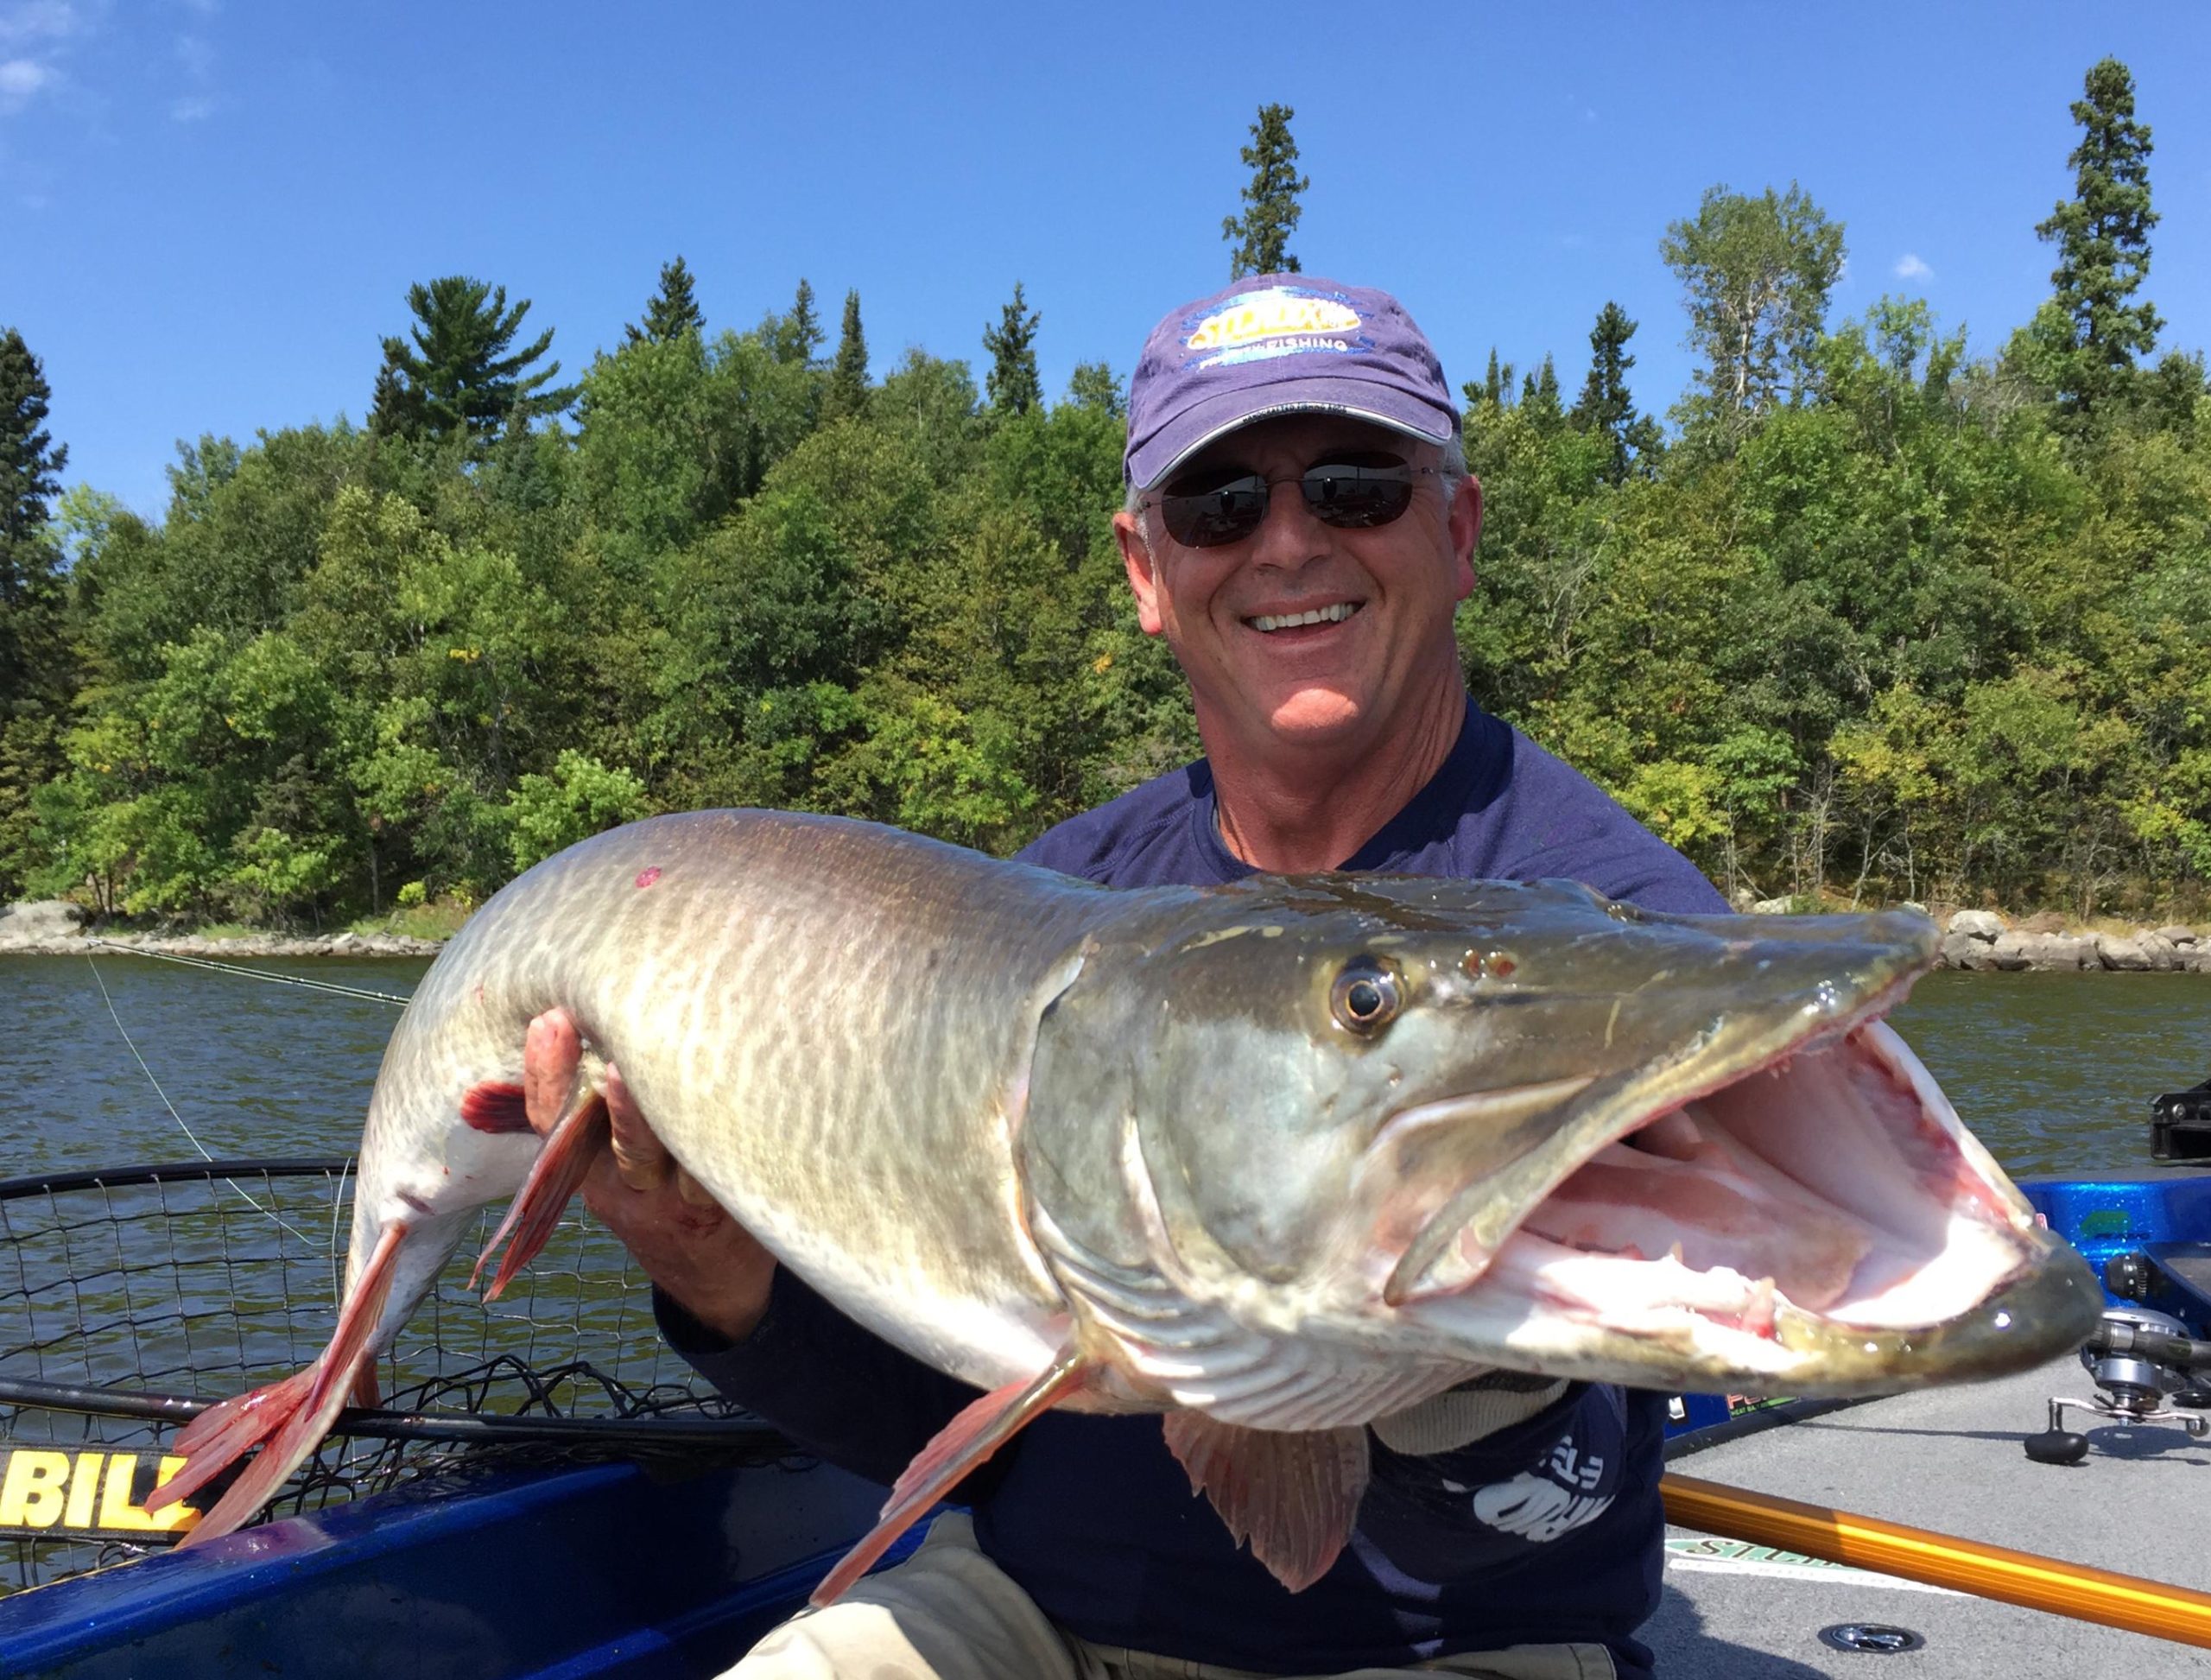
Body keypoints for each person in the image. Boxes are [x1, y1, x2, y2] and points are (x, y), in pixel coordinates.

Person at [525, 276, 1726, 1680]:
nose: (1287, 542)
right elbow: (935, 1409)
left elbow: (1549, 1506)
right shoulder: (1053, 907)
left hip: (1452, 1651)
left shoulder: (1630, 946)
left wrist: (1487, 1354)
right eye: (1218, 504)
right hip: (1023, 1618)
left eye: (1354, 486)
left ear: (1454, 529)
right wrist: (719, 1278)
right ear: (1147, 569)